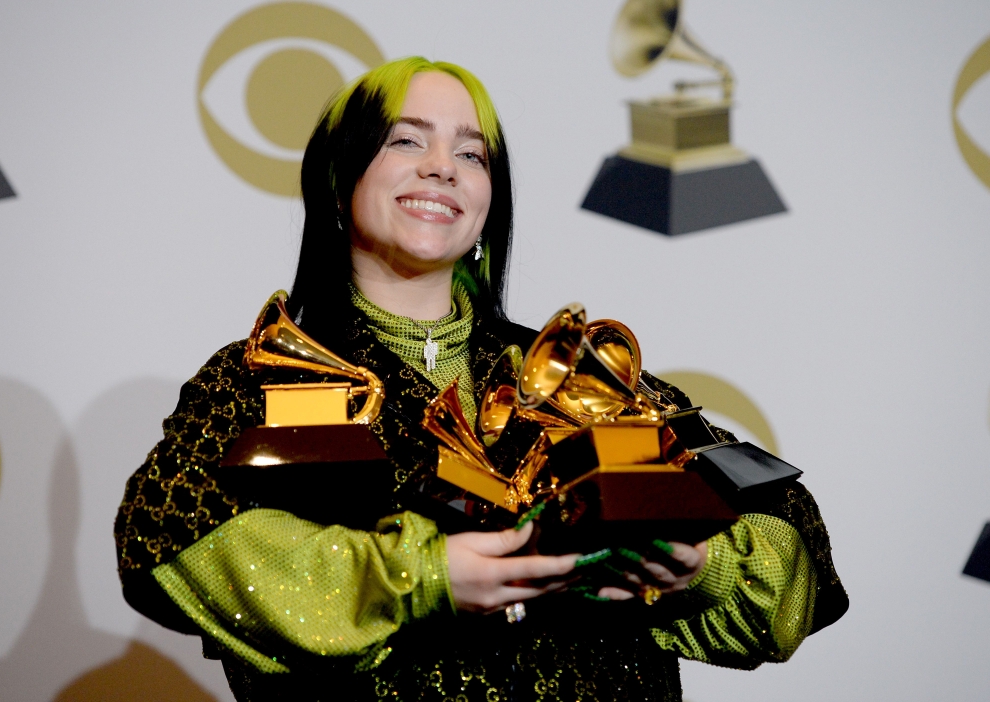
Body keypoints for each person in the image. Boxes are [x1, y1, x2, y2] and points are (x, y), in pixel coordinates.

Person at [114, 57, 847, 701]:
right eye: (407, 140)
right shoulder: (261, 378)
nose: (443, 167)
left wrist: (702, 566)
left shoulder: (587, 378)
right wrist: (420, 577)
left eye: (474, 154)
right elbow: (170, 537)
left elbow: (787, 531)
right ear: (339, 180)